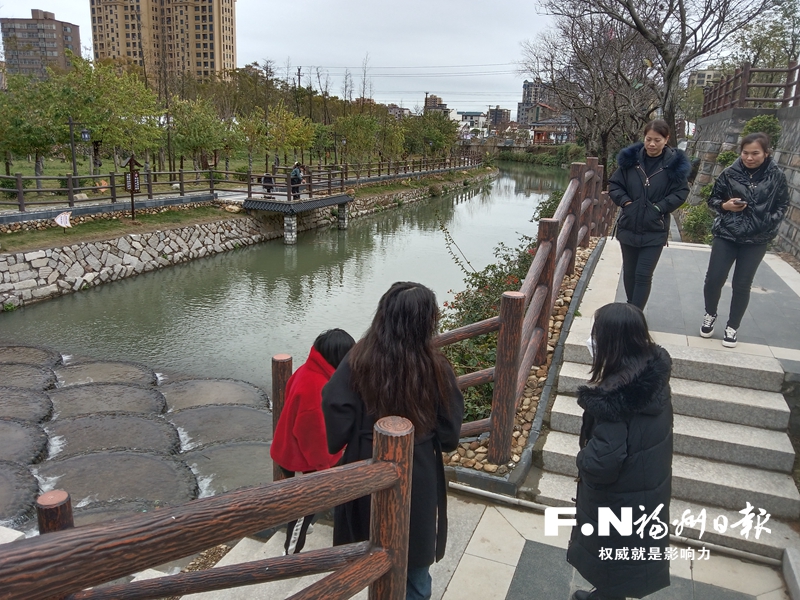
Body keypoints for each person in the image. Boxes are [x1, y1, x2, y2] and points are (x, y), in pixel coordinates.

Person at [322, 282, 464, 600]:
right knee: (414, 561)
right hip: (417, 467)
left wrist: (350, 437)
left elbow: (334, 403)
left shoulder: (357, 359)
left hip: (364, 463)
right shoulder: (435, 366)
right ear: (426, 321)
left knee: (363, 547)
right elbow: (449, 432)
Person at [568, 302, 673, 600]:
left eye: (596, 333)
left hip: (620, 495)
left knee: (613, 554)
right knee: (626, 555)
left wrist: (582, 458)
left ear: (612, 342)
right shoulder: (651, 377)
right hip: (645, 486)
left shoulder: (615, 400)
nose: (592, 340)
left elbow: (602, 462)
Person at [270, 328, 355, 555]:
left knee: (300, 506)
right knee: (303, 508)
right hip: (301, 461)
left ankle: (301, 529)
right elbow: (314, 440)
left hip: (287, 447)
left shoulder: (307, 370)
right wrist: (325, 469)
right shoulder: (316, 389)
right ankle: (290, 555)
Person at [700, 132, 790, 348]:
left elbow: (782, 204)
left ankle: (732, 326)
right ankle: (710, 314)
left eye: (755, 153)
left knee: (742, 284)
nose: (749, 158)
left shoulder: (776, 176)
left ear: (766, 153)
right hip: (726, 234)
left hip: (756, 239)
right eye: (745, 153)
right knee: (714, 279)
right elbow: (712, 199)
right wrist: (725, 206)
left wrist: (767, 221)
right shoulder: (729, 173)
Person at [609, 119, 691, 309]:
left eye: (657, 140)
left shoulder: (674, 165)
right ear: (644, 138)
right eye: (648, 139)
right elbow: (614, 185)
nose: (652, 144)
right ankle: (632, 312)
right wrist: (626, 203)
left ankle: (635, 314)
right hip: (629, 225)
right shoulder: (631, 161)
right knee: (630, 273)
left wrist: (659, 208)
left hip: (655, 228)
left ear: (666, 139)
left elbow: (681, 192)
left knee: (643, 274)